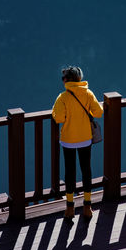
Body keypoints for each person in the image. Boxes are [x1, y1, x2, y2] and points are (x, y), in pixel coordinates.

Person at [52, 65, 103, 220]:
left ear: (67, 80)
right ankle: (87, 206)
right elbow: (99, 113)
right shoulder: (88, 93)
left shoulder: (63, 97)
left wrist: (54, 112)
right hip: (85, 138)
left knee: (70, 172)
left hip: (68, 140)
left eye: (63, 78)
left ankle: (70, 208)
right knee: (86, 170)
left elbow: (59, 118)